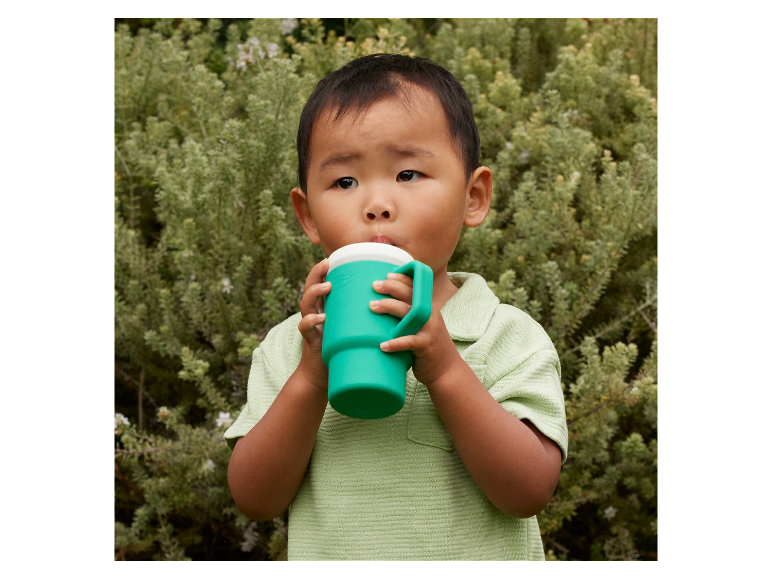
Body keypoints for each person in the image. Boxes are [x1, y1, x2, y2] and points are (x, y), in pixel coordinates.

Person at [225, 53, 568, 561]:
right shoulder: (292, 345)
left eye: (408, 173)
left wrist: (447, 367)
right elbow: (255, 499)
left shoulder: (504, 335)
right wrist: (311, 377)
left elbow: (529, 491)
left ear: (473, 196)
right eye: (344, 182)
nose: (376, 203)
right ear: (308, 215)